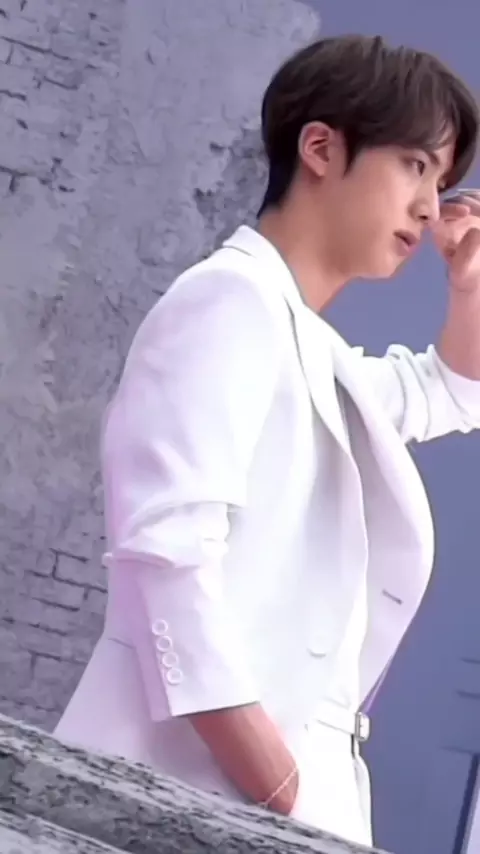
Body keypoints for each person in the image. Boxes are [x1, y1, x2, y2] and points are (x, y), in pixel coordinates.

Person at [54, 35, 480, 847]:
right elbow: (166, 554)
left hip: (284, 795)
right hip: (201, 788)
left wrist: (468, 290)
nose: (431, 207)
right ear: (321, 148)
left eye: (441, 180)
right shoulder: (226, 302)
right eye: (415, 166)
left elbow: (451, 392)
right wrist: (279, 785)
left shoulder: (311, 348)